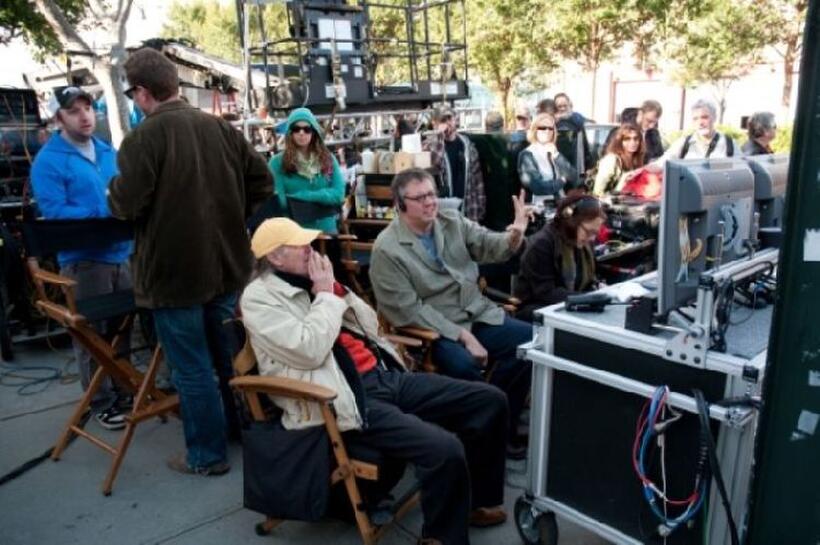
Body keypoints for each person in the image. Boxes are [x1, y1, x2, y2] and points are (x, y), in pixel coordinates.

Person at [241, 217, 510, 545]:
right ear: (275, 257)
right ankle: (441, 538)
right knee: (443, 448)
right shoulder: (259, 298)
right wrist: (326, 295)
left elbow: (371, 326)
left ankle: (477, 502)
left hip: (383, 376)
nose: (311, 251)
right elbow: (308, 349)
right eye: (301, 246)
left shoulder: (311, 281)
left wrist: (338, 291)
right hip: (343, 396)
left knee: (489, 399)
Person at [108, 47, 272, 476]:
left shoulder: (144, 138)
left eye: (132, 94)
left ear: (142, 92)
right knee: (226, 358)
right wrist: (232, 217)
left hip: (174, 277)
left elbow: (126, 205)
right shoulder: (220, 129)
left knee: (194, 369)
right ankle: (240, 432)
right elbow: (263, 182)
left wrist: (113, 191)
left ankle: (206, 455)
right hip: (224, 267)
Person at [369, 168, 532, 456]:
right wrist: (462, 337)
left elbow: (487, 245)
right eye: (420, 198)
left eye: (432, 194)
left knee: (530, 344)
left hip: (475, 310)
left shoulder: (451, 220)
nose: (430, 202)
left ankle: (497, 424)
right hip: (434, 328)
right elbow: (407, 311)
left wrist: (514, 234)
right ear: (400, 203)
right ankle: (481, 433)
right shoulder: (387, 248)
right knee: (463, 365)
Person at [30, 86, 132, 430]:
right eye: (74, 110)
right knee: (92, 334)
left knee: (121, 330)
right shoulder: (49, 161)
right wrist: (104, 210)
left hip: (122, 254)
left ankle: (125, 388)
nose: (84, 115)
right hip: (85, 260)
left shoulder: (107, 151)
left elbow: (124, 191)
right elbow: (55, 212)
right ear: (59, 117)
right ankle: (100, 400)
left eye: (87, 107)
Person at [515, 195, 605, 321]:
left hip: (567, 305)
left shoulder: (581, 242)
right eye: (589, 232)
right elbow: (546, 293)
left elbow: (588, 281)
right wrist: (586, 298)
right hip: (537, 310)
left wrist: (598, 290)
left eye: (595, 233)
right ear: (572, 223)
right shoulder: (542, 244)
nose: (592, 239)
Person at [268, 107, 345, 234]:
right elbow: (279, 201)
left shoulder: (328, 159)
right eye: (296, 129)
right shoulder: (276, 163)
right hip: (294, 234)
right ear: (290, 133)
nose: (301, 133)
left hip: (326, 232)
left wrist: (304, 196)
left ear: (314, 132)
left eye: (307, 129)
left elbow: (338, 195)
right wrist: (323, 198)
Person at [423, 105, 486, 223]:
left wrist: (480, 206)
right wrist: (438, 135)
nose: (447, 123)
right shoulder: (429, 144)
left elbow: (477, 178)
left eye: (449, 119)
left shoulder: (466, 144)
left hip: (467, 209)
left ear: (455, 120)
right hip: (442, 211)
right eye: (442, 120)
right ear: (434, 123)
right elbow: (434, 162)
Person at [652, 99, 736, 168]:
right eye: (695, 119)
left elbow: (743, 170)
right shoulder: (684, 143)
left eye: (704, 117)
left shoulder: (729, 143)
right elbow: (661, 163)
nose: (700, 122)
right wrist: (641, 171)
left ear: (714, 117)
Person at [518, 112, 577, 205]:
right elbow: (538, 187)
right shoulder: (527, 154)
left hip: (560, 206)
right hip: (539, 208)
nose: (547, 131)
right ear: (534, 130)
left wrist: (557, 156)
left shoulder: (554, 151)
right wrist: (562, 181)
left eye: (550, 128)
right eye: (542, 128)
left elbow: (573, 176)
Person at [592, 123, 647, 197]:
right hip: (607, 205)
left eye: (636, 139)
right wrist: (624, 181)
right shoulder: (611, 160)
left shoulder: (637, 160)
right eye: (627, 139)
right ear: (620, 142)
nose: (632, 142)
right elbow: (597, 192)